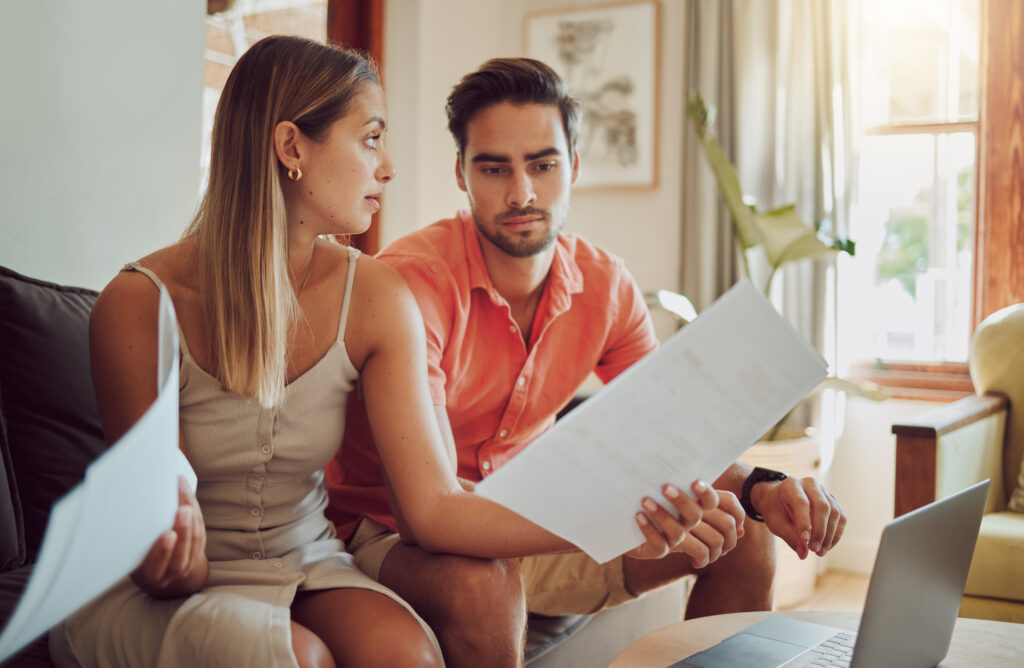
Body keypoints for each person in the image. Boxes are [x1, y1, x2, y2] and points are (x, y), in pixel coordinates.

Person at [49, 38, 730, 668]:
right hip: (169, 586)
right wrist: (172, 559)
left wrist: (633, 510)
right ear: (292, 147)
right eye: (370, 138)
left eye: (543, 164)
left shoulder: (372, 294)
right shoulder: (138, 303)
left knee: (407, 655)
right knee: (302, 657)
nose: (389, 167)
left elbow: (431, 507)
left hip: (304, 557)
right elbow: (151, 547)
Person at [326, 57, 849, 667]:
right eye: (494, 168)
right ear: (462, 176)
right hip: (388, 528)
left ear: (573, 167)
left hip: (528, 515)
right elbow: (433, 518)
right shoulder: (412, 284)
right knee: (480, 581)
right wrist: (610, 522)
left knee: (743, 534)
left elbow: (676, 438)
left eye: (542, 165)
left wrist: (764, 487)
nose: (521, 193)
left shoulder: (606, 285)